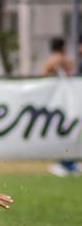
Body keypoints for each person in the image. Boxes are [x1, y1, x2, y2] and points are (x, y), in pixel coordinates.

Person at [40, 37, 80, 177]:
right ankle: (65, 162)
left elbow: (42, 75)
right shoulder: (63, 60)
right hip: (65, 102)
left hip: (53, 103)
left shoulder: (49, 60)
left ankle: (66, 161)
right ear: (63, 47)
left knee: (62, 131)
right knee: (69, 130)